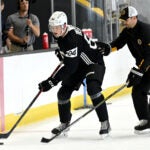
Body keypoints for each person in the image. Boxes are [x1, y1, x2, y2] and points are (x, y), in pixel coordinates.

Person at [38, 11, 111, 137]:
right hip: (79, 64)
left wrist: (52, 81)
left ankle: (105, 122)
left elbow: (70, 67)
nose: (54, 30)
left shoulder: (71, 38)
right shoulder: (62, 34)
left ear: (64, 25)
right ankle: (64, 123)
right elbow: (72, 60)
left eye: (56, 27)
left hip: (93, 62)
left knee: (93, 89)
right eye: (52, 27)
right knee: (62, 94)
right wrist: (64, 56)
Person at [100, 6, 150, 133]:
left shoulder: (146, 30)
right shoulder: (127, 31)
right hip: (143, 66)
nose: (123, 22)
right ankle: (146, 119)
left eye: (126, 19)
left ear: (134, 18)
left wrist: (140, 70)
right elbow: (118, 43)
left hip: (147, 63)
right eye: (122, 20)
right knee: (138, 90)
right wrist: (107, 49)